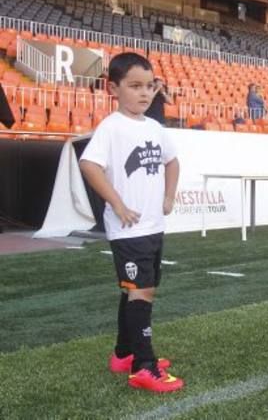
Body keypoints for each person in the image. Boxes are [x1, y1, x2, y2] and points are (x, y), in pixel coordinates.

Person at [79, 52, 183, 392]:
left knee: (136, 290)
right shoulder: (111, 127)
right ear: (114, 88)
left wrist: (168, 197)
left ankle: (124, 353)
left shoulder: (154, 127)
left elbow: (172, 162)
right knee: (142, 290)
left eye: (149, 86)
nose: (144, 93)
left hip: (153, 226)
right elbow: (89, 166)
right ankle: (144, 366)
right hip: (128, 230)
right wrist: (118, 203)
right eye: (134, 86)